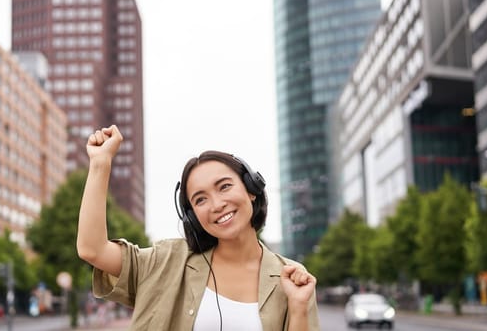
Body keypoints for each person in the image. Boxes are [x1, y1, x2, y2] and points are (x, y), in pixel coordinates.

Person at [76, 125, 319, 330]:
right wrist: (100, 164)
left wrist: (298, 309)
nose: (216, 205)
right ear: (191, 216)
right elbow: (92, 249)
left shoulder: (291, 275)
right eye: (200, 199)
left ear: (251, 189)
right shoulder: (166, 262)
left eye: (224, 186)